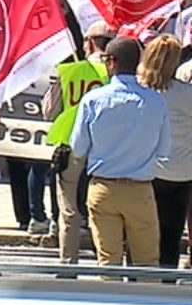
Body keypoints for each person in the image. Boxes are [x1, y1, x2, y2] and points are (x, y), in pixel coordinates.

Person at [70, 37, 169, 269]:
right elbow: (164, 150)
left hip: (103, 187)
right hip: (140, 189)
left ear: (111, 62)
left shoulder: (93, 100)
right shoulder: (156, 101)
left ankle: (110, 302)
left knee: (108, 261)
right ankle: (145, 303)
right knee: (147, 263)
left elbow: (78, 148)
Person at [43, 20, 113, 264]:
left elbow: (49, 111)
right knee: (103, 210)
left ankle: (67, 262)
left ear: (90, 42)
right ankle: (105, 259)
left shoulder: (71, 71)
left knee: (69, 210)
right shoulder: (115, 74)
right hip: (105, 150)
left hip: (70, 148)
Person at [137, 35, 192, 269]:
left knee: (141, 234)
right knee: (171, 233)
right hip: (182, 171)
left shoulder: (140, 92)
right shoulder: (187, 94)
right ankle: (166, 283)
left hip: (146, 171)